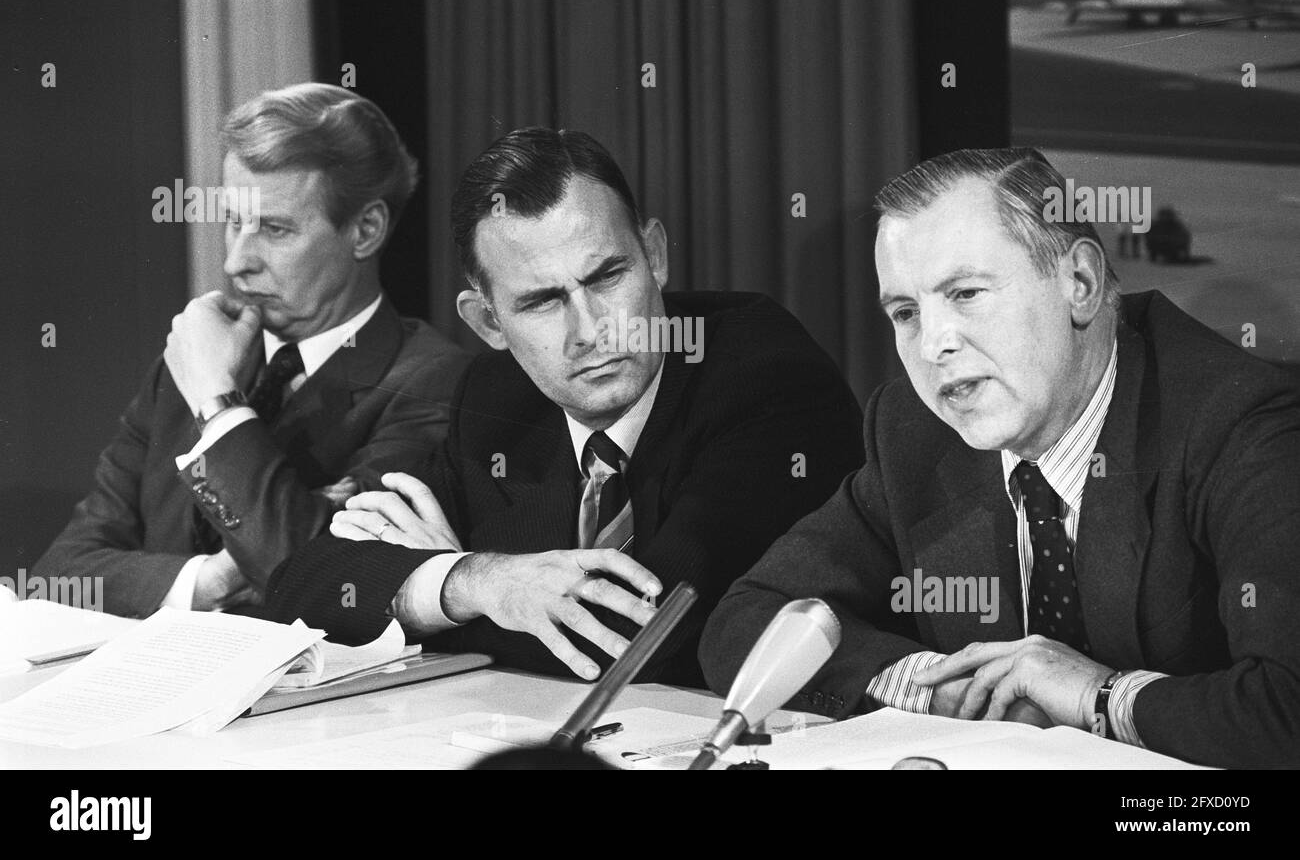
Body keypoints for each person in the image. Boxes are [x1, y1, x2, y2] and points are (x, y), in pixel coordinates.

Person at [699, 147, 1300, 769]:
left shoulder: (1239, 425)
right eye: (906, 312)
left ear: (1080, 284)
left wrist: (1095, 696)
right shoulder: (913, 429)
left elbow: (1289, 709)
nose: (933, 345)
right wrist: (939, 683)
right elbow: (749, 620)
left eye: (965, 293)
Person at [264, 127, 864, 687]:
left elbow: (640, 642)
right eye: (544, 301)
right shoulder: (497, 395)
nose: (591, 330)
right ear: (488, 321)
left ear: (654, 256)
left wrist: (456, 576)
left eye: (606, 278)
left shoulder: (764, 375)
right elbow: (300, 590)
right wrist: (477, 580)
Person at [34, 83, 471, 618]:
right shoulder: (188, 364)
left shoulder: (433, 381)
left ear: (366, 230)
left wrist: (219, 407)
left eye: (274, 228)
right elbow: (58, 574)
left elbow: (334, 581)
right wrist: (208, 581)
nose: (237, 262)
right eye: (233, 222)